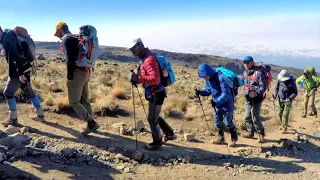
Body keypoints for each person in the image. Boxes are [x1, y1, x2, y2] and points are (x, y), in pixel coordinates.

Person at [127, 38, 176, 150]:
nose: (133, 51)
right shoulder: (146, 57)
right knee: (155, 116)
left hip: (156, 93)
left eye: (134, 48)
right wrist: (137, 78)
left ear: (139, 46)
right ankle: (170, 134)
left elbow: (154, 79)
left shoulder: (148, 60)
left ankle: (157, 143)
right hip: (155, 93)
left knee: (151, 118)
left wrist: (138, 78)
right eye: (131, 49)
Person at [53, 22, 99, 135]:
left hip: (77, 73)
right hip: (86, 71)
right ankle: (90, 125)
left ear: (61, 30)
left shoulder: (66, 39)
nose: (57, 36)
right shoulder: (76, 37)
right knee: (84, 99)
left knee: (74, 102)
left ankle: (92, 123)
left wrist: (69, 76)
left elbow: (69, 59)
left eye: (57, 33)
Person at [0, 26, 44, 127]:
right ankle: (40, 114)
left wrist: (20, 74)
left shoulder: (6, 40)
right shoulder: (10, 35)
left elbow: (16, 56)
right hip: (26, 67)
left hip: (18, 71)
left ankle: (13, 119)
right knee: (28, 90)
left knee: (8, 93)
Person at [195, 64, 238, 147]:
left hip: (227, 104)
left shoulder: (221, 78)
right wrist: (200, 92)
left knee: (228, 122)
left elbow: (226, 93)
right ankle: (221, 138)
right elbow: (208, 91)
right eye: (203, 76)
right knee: (217, 122)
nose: (204, 78)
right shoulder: (208, 81)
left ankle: (234, 138)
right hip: (217, 105)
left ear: (208, 73)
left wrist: (217, 102)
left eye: (204, 76)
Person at [241, 56, 266, 143]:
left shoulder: (258, 73)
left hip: (257, 99)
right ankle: (250, 132)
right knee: (247, 116)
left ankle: (261, 133)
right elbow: (243, 83)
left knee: (255, 117)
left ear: (252, 62)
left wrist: (255, 93)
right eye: (245, 63)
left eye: (248, 62)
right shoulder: (244, 73)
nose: (246, 64)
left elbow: (263, 87)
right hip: (247, 98)